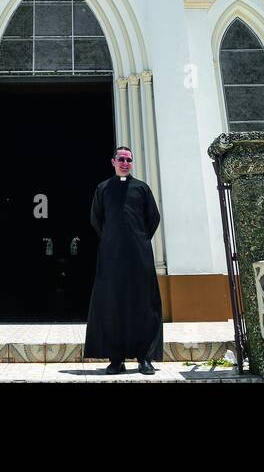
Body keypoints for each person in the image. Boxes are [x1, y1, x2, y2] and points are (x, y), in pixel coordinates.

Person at [84, 145, 163, 375]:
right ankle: (116, 359)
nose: (125, 163)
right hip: (112, 257)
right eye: (121, 159)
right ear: (113, 162)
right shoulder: (103, 189)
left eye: (129, 159)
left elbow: (153, 218)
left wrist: (138, 238)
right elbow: (95, 218)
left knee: (144, 304)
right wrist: (112, 239)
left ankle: (145, 358)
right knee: (112, 304)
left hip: (140, 256)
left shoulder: (141, 188)